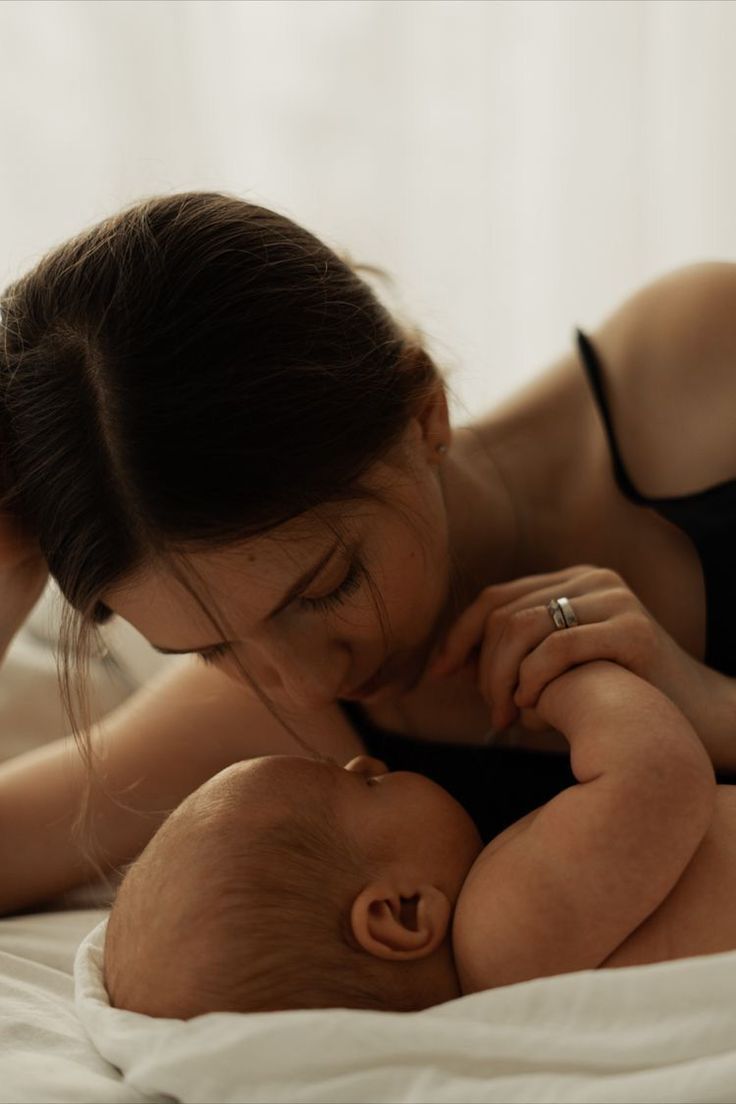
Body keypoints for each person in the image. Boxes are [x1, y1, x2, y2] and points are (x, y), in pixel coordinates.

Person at [0, 190, 735, 916]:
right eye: (212, 647)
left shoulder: (702, 368)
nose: (308, 687)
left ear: (425, 413)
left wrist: (712, 708)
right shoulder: (268, 714)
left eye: (325, 588)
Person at [103, 659, 727, 1019]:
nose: (364, 764)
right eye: (356, 789)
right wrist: (567, 674)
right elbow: (662, 775)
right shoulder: (500, 931)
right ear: (401, 914)